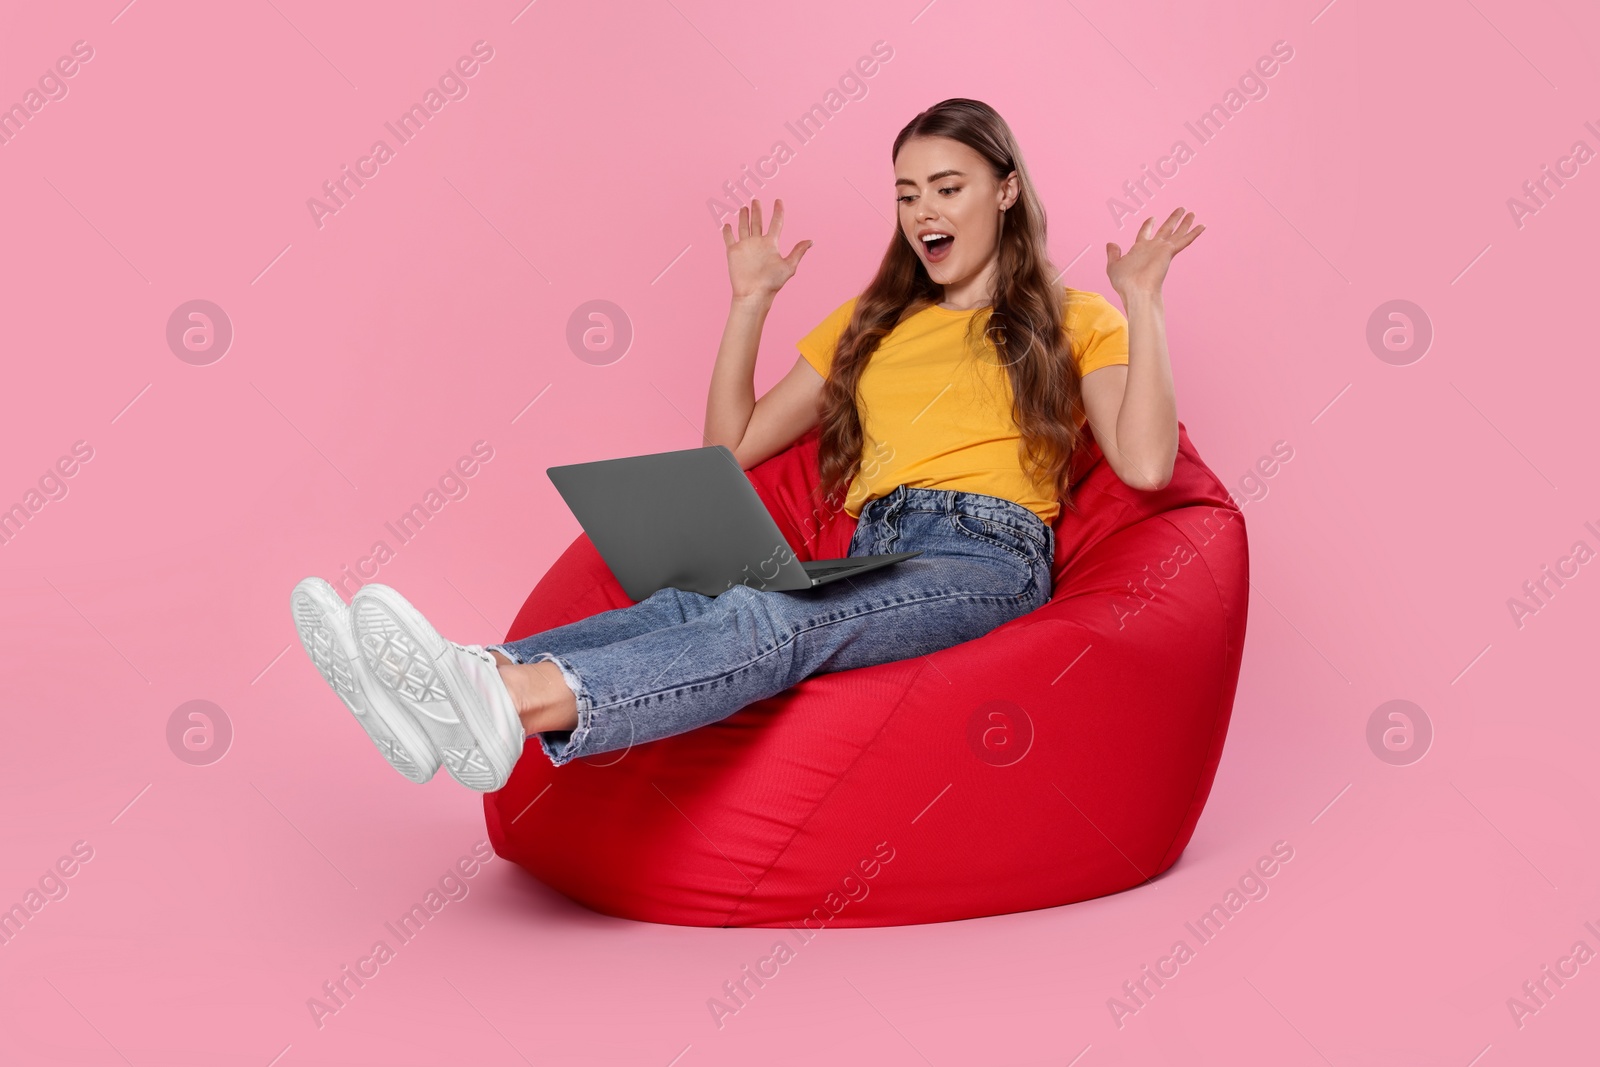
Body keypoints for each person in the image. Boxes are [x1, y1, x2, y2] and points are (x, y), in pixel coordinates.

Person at [290, 97, 1203, 793]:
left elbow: (1147, 465)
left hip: (984, 557)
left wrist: (1147, 304)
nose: (924, 210)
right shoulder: (871, 323)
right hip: (873, 552)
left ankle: (509, 700)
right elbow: (728, 446)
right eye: (907, 193)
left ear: (1005, 192)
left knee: (770, 622)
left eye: (949, 187)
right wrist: (750, 302)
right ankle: (458, 680)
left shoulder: (1076, 319)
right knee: (696, 602)